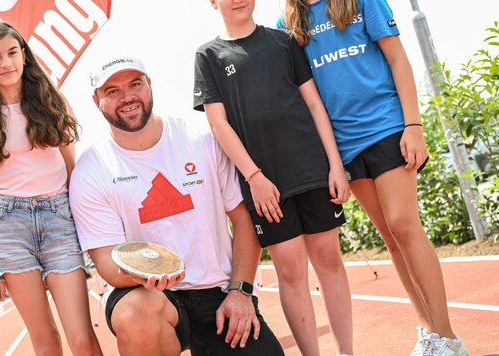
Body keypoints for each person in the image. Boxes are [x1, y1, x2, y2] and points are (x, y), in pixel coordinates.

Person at [280, 0, 467, 355]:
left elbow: (398, 59)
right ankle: (428, 331)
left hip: (386, 127)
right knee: (391, 238)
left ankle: (448, 338)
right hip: (345, 145)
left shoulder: (361, 1)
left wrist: (414, 124)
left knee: (404, 223)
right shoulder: (289, 20)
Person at [69, 54, 284, 356]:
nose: (127, 97)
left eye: (135, 84)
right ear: (96, 100)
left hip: (219, 293)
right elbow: (105, 259)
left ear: (150, 85)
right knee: (136, 313)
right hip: (150, 295)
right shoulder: (91, 171)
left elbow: (244, 219)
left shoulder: (200, 138)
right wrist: (142, 274)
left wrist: (241, 291)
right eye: (113, 91)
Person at [193, 1, 353, 355]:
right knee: (292, 269)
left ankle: (347, 352)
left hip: (312, 170)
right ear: (213, 3)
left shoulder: (284, 41)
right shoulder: (208, 56)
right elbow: (219, 125)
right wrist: (253, 176)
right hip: (264, 185)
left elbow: (313, 104)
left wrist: (335, 165)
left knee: (329, 258)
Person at [0, 22, 102, 355]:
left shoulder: (53, 103)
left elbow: (73, 172)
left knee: (82, 339)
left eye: (12, 52)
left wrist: (87, 227)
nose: (6, 63)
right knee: (46, 342)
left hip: (58, 218)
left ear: (24, 55)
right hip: (9, 227)